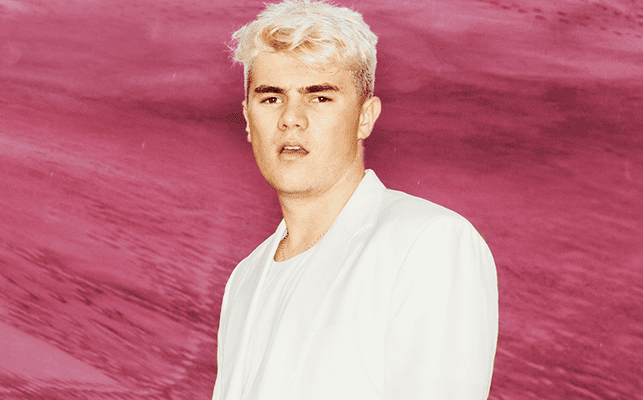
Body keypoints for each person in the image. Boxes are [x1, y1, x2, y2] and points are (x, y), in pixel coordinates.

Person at [212, 0, 498, 398]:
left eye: (319, 97)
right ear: (247, 119)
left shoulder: (429, 242)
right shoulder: (244, 278)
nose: (291, 118)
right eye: (272, 98)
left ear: (365, 116)